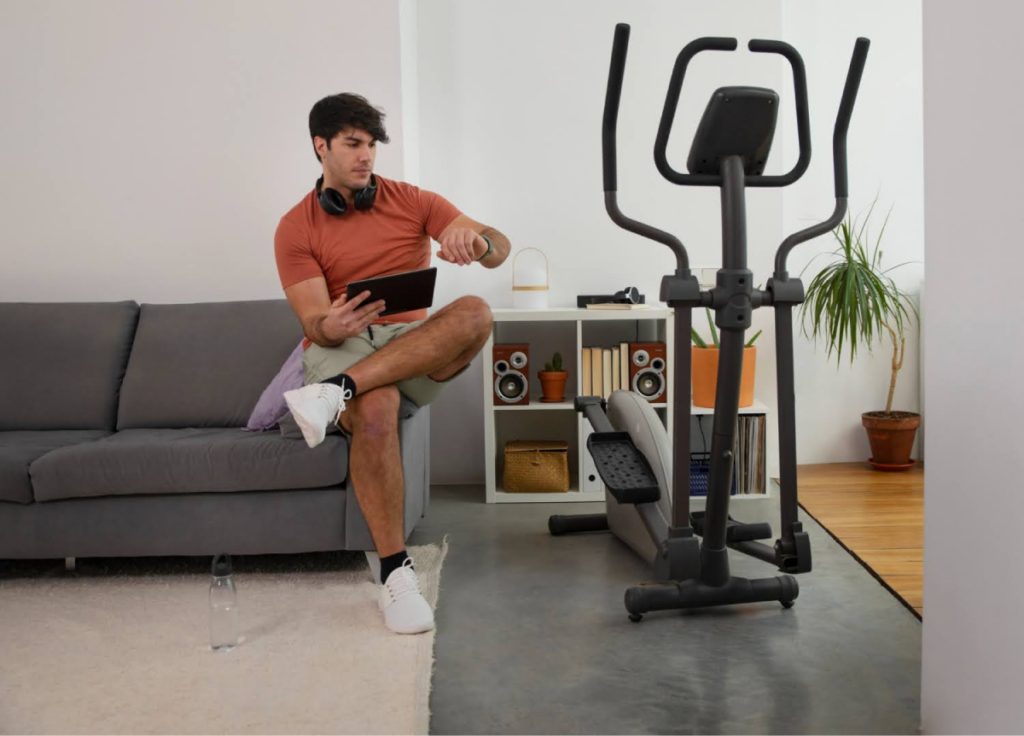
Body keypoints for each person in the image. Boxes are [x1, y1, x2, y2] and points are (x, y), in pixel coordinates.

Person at [274, 93, 509, 634]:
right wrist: (332, 325)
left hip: (410, 343)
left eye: (372, 144)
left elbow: (500, 248)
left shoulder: (414, 200)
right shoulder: (295, 227)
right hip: (343, 346)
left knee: (475, 311)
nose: (367, 156)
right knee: (376, 408)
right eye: (353, 144)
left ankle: (337, 392)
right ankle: (394, 572)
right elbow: (313, 323)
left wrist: (475, 240)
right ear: (321, 146)